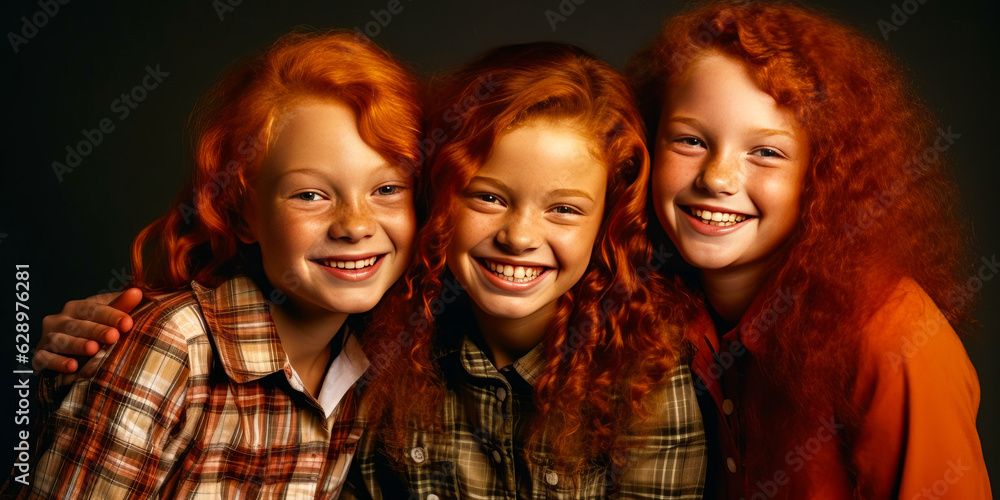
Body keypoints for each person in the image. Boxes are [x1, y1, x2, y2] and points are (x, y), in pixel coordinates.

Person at [13, 29, 422, 498]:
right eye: (310, 195)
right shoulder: (175, 347)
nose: (354, 225)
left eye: (386, 189)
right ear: (243, 214)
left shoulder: (376, 357)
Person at [627, 1, 991, 498]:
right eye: (690, 141)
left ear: (825, 177)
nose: (716, 178)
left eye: (766, 152)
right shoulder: (655, 307)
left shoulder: (895, 336)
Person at [346, 41, 706, 498]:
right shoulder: (384, 346)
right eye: (489, 198)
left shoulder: (646, 371)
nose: (518, 237)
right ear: (440, 195)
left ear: (607, 225)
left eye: (564, 209)